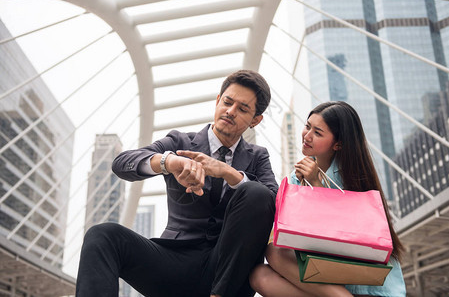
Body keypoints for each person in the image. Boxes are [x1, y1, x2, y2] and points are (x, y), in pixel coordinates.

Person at [75, 70, 278, 297]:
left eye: (242, 109)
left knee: (256, 193)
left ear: (255, 120)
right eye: (227, 102)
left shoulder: (258, 157)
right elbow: (122, 163)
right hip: (173, 262)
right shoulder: (180, 142)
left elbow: (272, 200)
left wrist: (228, 173)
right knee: (102, 236)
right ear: (217, 101)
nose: (230, 111)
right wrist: (168, 161)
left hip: (227, 271)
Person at [249, 101, 406, 297]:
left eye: (318, 132)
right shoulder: (293, 180)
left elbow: (352, 234)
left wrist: (317, 185)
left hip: (366, 283)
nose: (307, 136)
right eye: (307, 126)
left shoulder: (353, 176)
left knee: (274, 255)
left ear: (338, 143)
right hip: (322, 276)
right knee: (261, 273)